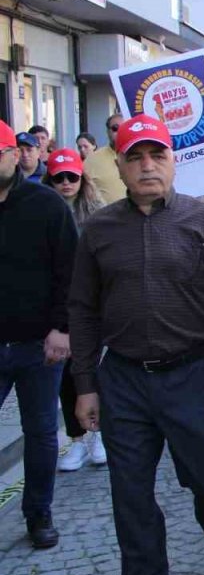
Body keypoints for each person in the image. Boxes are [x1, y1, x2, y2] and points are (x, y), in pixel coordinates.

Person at [68, 115, 204, 575]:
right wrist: (85, 385)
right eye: (136, 157)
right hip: (124, 381)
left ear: (174, 161)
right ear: (119, 166)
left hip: (193, 375)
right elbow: (82, 310)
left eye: (158, 155)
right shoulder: (99, 230)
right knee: (130, 497)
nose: (148, 166)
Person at [0, 119, 78, 548]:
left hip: (38, 345)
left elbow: (70, 270)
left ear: (16, 155)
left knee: (42, 431)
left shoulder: (47, 205)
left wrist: (62, 329)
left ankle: (38, 513)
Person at [41, 149, 107, 472]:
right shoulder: (40, 211)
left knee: (93, 368)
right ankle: (78, 438)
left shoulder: (97, 213)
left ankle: (99, 434)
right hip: (55, 308)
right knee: (66, 377)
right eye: (59, 177)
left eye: (72, 177)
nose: (66, 183)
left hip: (91, 305)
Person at [83, 113, 128, 203]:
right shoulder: (92, 160)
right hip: (105, 215)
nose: (121, 131)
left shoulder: (142, 157)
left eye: (125, 127)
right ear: (107, 132)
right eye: (115, 128)